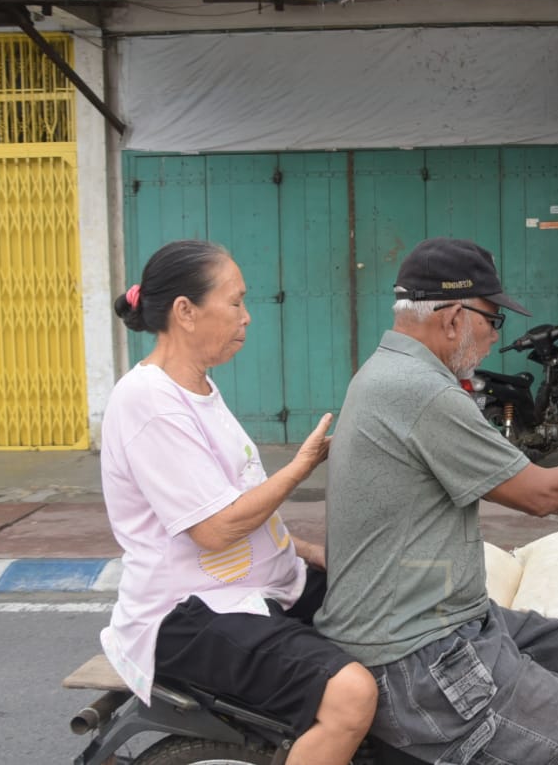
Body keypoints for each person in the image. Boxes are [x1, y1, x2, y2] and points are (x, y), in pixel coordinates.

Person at [315, 237, 558, 765]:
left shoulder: (390, 371)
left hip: (437, 615)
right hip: (416, 652)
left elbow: (497, 476)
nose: (494, 337)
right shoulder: (423, 391)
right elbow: (536, 493)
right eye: (493, 320)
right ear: (455, 317)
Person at [100, 240, 376, 765]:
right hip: (186, 615)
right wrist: (302, 465)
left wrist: (309, 550)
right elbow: (215, 528)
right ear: (185, 311)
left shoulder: (197, 387)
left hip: (250, 589)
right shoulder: (149, 402)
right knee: (352, 694)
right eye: (236, 301)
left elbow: (230, 504)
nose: (247, 316)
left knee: (387, 605)